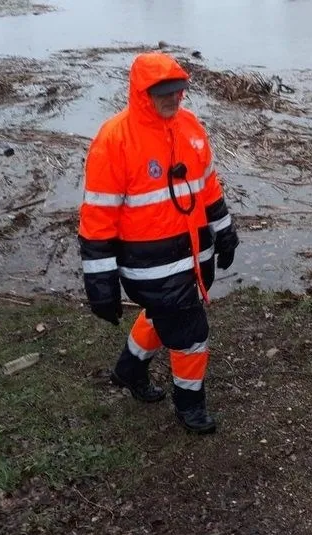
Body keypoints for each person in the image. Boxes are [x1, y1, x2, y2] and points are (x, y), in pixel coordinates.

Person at [77, 52, 239, 435]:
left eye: (177, 91)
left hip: (195, 257)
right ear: (140, 92)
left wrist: (225, 229)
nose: (172, 99)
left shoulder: (190, 127)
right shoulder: (115, 138)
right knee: (191, 335)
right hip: (149, 266)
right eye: (162, 92)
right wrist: (100, 284)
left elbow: (208, 186)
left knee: (159, 315)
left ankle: (128, 370)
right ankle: (189, 406)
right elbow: (98, 216)